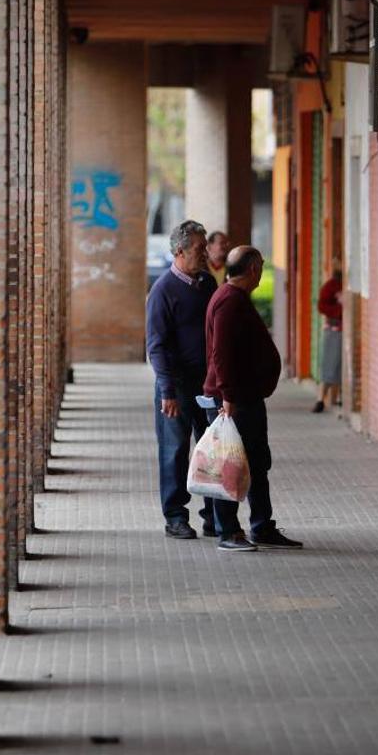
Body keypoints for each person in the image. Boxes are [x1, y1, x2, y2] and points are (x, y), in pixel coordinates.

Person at [203, 245, 304, 552]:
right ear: (253, 270)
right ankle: (228, 532)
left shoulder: (233, 298)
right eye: (260, 266)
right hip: (234, 401)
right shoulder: (229, 302)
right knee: (229, 466)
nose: (261, 272)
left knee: (257, 465)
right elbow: (221, 354)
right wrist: (229, 396)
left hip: (245, 398)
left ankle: (262, 526)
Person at [146, 220, 218, 539]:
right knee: (175, 451)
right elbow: (156, 346)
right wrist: (167, 391)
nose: (206, 253)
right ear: (180, 251)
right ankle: (175, 517)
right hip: (175, 387)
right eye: (200, 249)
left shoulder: (207, 284)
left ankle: (213, 515)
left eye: (205, 247)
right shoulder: (163, 291)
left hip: (207, 384)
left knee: (210, 449)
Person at [312, 259, 343, 414]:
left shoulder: (344, 285)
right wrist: (339, 308)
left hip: (342, 330)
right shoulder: (331, 286)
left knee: (339, 368)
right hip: (334, 329)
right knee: (329, 366)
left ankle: (336, 399)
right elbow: (321, 306)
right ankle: (320, 399)